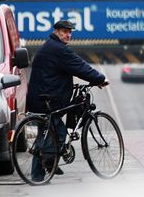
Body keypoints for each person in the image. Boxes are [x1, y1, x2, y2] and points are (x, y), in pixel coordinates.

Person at [26, 20, 108, 181]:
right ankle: (48, 163)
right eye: (64, 31)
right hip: (47, 100)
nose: (68, 35)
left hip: (40, 98)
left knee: (44, 135)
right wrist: (99, 78)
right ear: (56, 31)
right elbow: (79, 66)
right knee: (59, 134)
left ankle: (40, 172)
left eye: (70, 32)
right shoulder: (58, 50)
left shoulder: (49, 46)